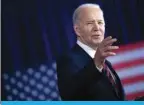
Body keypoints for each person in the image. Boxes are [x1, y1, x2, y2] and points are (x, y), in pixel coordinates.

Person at [56, 3, 125, 101]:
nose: (97, 28)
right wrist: (96, 64)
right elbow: (69, 95)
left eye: (100, 22)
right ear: (77, 30)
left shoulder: (106, 64)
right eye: (90, 23)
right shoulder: (68, 60)